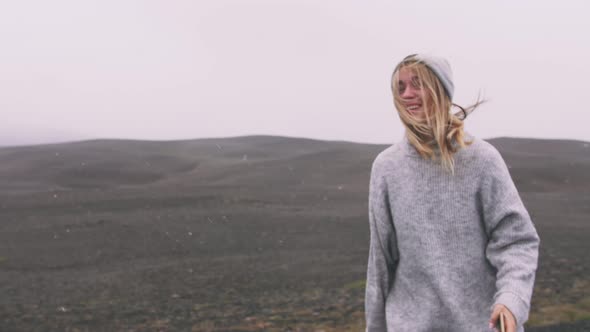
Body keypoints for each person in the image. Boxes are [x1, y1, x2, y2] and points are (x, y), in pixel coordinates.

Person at [364, 54, 540, 332]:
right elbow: (381, 263)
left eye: (417, 84)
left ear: (441, 89)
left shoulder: (481, 159)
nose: (407, 94)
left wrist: (511, 300)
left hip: (481, 324)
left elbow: (517, 240)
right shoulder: (387, 167)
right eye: (400, 87)